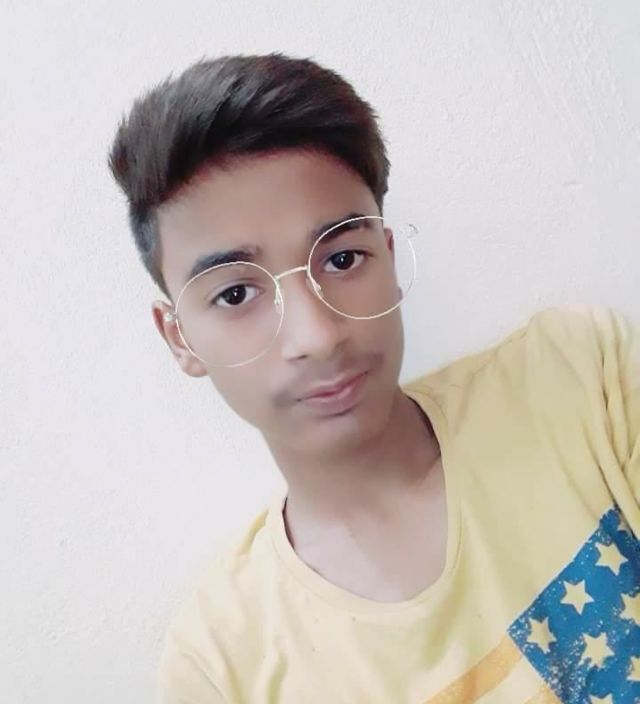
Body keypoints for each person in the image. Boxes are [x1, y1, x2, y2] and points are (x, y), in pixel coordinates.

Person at [107, 52, 640, 704]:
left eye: (342, 258)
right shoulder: (221, 666)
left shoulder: (577, 379)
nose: (317, 336)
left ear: (386, 256)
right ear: (179, 337)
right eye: (236, 294)